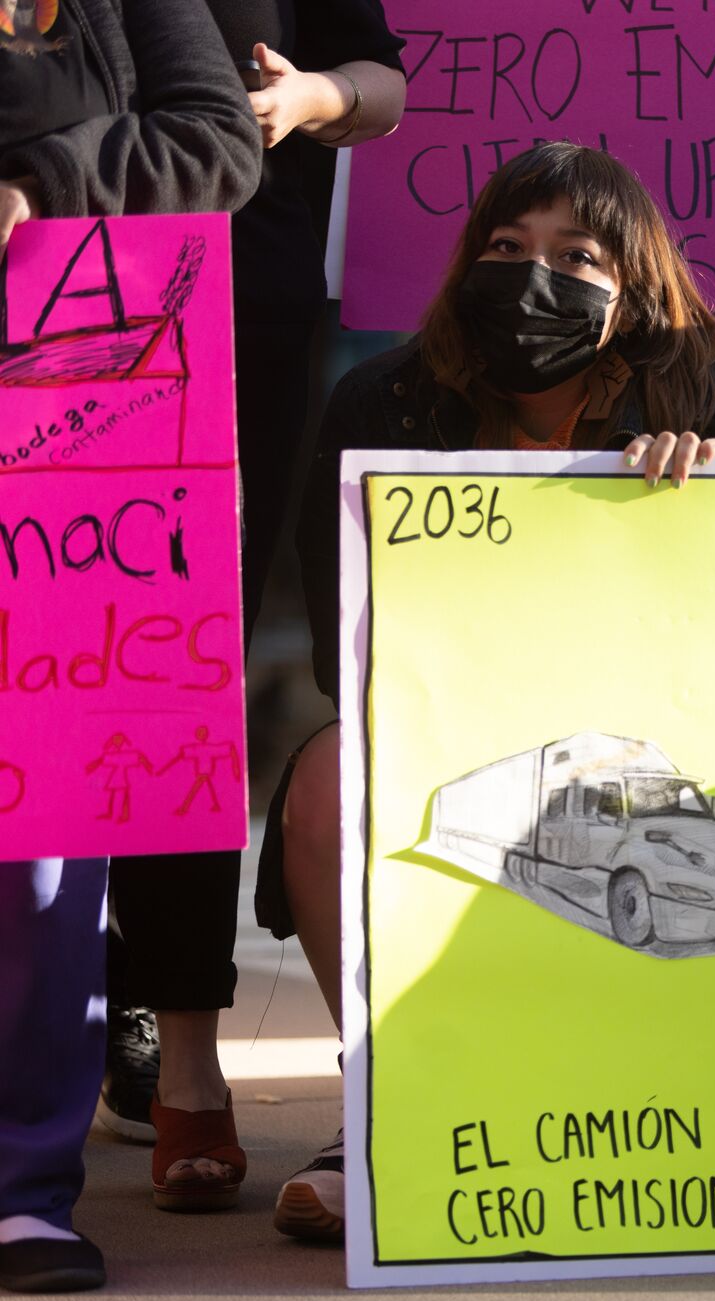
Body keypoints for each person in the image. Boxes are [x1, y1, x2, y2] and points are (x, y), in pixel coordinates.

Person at [258, 139, 715, 1240]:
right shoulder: (388, 399)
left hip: (660, 743)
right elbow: (342, 658)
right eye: (505, 247)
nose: (531, 274)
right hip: (457, 735)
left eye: (575, 254)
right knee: (324, 776)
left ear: (635, 283)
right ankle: (388, 1091)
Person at [96, 0, 407, 1220]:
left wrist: (305, 100)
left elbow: (382, 84)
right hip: (31, 296)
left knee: (175, 674)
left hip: (220, 312)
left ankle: (178, 1048)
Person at [0, 0, 261, 1293]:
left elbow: (217, 142)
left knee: (42, 856)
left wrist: (38, 185)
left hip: (63, 444)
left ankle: (20, 1185)